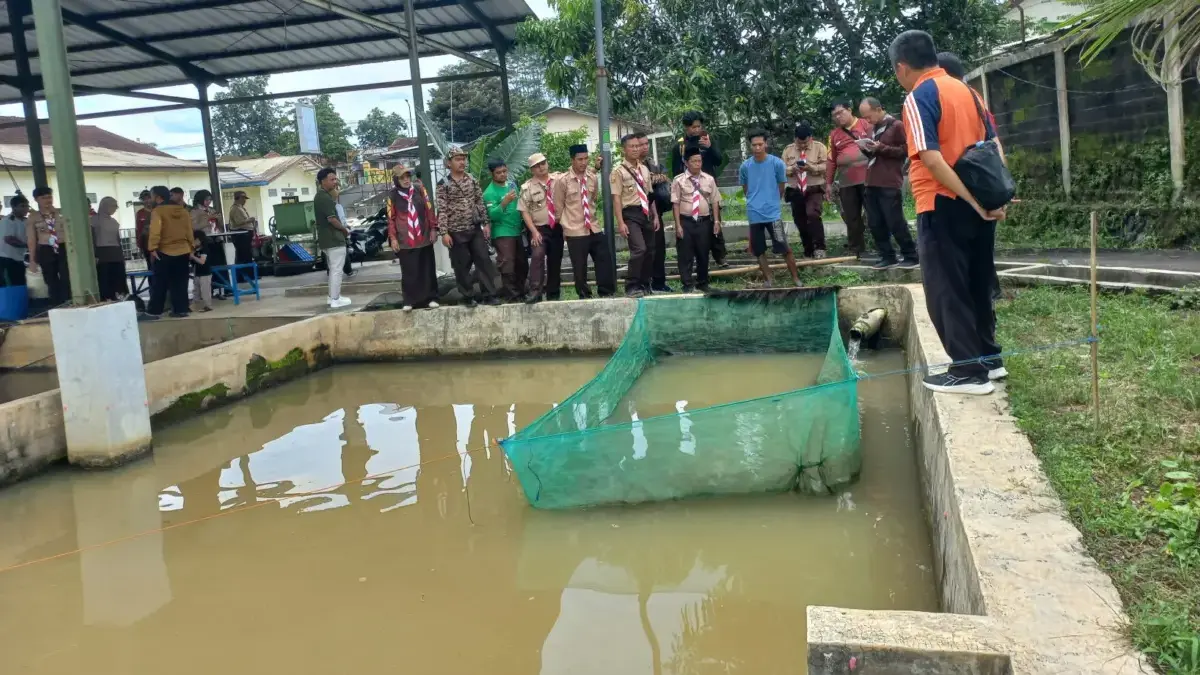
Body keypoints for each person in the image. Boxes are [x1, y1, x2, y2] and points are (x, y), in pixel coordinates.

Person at [893, 29, 1007, 395]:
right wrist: (995, 197)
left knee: (946, 288)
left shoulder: (918, 97)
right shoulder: (969, 92)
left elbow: (930, 157)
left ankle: (967, 371)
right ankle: (990, 360)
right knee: (977, 279)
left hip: (942, 204)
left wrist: (971, 199)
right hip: (979, 204)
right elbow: (994, 146)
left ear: (902, 66)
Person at [437, 146, 501, 307]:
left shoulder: (471, 179)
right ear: (449, 163)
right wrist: (444, 232)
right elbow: (442, 209)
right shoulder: (443, 183)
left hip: (474, 228)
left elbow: (479, 202)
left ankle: (489, 294)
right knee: (461, 265)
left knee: (483, 261)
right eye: (458, 159)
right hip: (456, 231)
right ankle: (467, 296)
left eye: (463, 159)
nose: (462, 162)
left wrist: (486, 223)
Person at [859, 97, 919, 269]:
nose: (868, 121)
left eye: (869, 116)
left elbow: (907, 150)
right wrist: (866, 148)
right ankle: (887, 255)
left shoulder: (897, 125)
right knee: (875, 222)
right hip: (871, 180)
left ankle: (910, 254)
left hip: (889, 181)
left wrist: (881, 148)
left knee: (894, 220)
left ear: (878, 109)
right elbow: (875, 154)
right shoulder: (873, 128)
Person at [739, 130, 801, 288]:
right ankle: (769, 279)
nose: (757, 148)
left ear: (766, 144)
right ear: (750, 146)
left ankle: (795, 278)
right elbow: (746, 189)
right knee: (759, 250)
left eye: (760, 144)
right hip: (754, 214)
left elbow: (781, 186)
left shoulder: (777, 163)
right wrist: (755, 201)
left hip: (773, 214)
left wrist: (772, 201)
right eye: (754, 145)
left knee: (784, 247)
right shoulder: (745, 166)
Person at [553, 143, 615, 299]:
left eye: (586, 158)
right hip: (575, 229)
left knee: (603, 258)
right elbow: (558, 207)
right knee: (579, 266)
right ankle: (584, 295)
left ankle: (606, 292)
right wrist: (564, 229)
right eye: (580, 159)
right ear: (572, 160)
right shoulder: (562, 181)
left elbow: (592, 200)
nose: (584, 162)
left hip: (593, 226)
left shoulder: (592, 177)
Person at [669, 110, 728, 268]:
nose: (696, 130)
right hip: (687, 192)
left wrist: (709, 147)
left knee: (714, 224)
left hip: (706, 190)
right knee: (689, 228)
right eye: (693, 127)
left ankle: (720, 257)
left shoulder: (707, 140)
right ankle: (693, 260)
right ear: (686, 127)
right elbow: (676, 171)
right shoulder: (680, 146)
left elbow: (719, 160)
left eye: (698, 126)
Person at [386, 163, 440, 311]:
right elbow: (390, 218)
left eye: (408, 176)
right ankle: (409, 301)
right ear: (396, 180)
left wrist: (434, 229)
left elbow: (429, 209)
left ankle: (432, 298)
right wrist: (393, 238)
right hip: (405, 239)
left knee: (427, 269)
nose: (406, 180)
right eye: (402, 177)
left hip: (423, 236)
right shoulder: (392, 195)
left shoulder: (419, 189)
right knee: (410, 271)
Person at [611, 132, 659, 297]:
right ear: (624, 149)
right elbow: (616, 199)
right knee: (639, 249)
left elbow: (649, 195)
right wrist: (620, 222)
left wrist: (655, 216)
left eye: (637, 146)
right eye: (631, 146)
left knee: (650, 250)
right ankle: (631, 286)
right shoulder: (618, 172)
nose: (636, 149)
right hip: (630, 214)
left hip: (646, 213)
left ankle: (645, 285)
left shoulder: (644, 169)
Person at [671, 146, 722, 292]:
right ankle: (687, 284)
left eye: (699, 161)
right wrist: (678, 225)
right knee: (685, 254)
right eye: (694, 161)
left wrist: (717, 221)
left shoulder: (709, 179)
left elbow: (715, 201)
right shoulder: (679, 180)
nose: (697, 164)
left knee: (703, 252)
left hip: (704, 221)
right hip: (686, 221)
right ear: (686, 163)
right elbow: (676, 203)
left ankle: (702, 282)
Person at [828, 101, 873, 257]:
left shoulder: (865, 124)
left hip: (868, 178)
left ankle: (882, 246)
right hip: (846, 181)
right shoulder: (834, 134)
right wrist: (828, 183)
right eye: (834, 115)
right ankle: (856, 250)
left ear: (849, 110)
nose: (838, 117)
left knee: (874, 212)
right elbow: (831, 160)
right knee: (851, 215)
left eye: (841, 112)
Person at [518, 152, 564, 304]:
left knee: (555, 259)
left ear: (547, 163)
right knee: (537, 256)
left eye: (543, 163)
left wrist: (596, 167)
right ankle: (535, 291)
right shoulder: (527, 187)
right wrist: (534, 232)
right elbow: (524, 211)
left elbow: (577, 175)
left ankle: (553, 293)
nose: (541, 167)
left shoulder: (559, 179)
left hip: (557, 227)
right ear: (532, 170)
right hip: (538, 229)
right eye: (536, 166)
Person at [781, 122, 830, 259]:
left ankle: (820, 247)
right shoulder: (788, 150)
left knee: (813, 215)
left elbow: (827, 165)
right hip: (795, 190)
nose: (802, 145)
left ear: (810, 137)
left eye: (805, 142)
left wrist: (812, 168)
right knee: (799, 220)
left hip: (813, 188)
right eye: (799, 142)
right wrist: (792, 169)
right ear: (795, 138)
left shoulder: (819, 147)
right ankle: (808, 249)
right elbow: (781, 169)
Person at [146, 185, 195, 317]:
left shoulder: (158, 212)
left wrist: (152, 248)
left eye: (151, 196)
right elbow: (189, 231)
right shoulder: (183, 211)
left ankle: (154, 311)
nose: (150, 199)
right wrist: (191, 247)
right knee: (180, 282)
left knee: (159, 283)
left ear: (158, 197)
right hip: (183, 250)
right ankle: (181, 309)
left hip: (164, 251)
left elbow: (155, 231)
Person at [483, 158, 527, 302]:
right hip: (502, 232)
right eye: (498, 173)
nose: (502, 174)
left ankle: (521, 291)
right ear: (492, 174)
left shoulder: (512, 185)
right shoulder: (489, 193)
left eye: (504, 171)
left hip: (517, 230)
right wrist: (504, 202)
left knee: (522, 263)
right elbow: (492, 215)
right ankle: (512, 295)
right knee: (507, 262)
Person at [314, 168, 352, 309]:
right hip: (333, 239)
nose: (335, 182)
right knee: (336, 270)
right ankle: (335, 299)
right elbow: (332, 219)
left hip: (327, 239)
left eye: (335, 179)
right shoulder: (324, 198)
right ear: (323, 181)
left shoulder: (320, 196)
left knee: (333, 269)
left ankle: (332, 297)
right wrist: (344, 230)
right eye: (332, 179)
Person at [26, 186, 71, 306]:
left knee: (66, 276)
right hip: (46, 248)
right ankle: (57, 303)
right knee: (50, 278)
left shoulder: (60, 213)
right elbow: (31, 239)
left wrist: (55, 213)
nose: (48, 200)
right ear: (36, 199)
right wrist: (32, 260)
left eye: (49, 197)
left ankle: (69, 300)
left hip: (62, 246)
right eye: (43, 197)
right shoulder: (33, 217)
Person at [646, 151, 675, 293]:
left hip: (655, 212)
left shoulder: (651, 164)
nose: (643, 147)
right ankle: (645, 283)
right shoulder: (630, 168)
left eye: (646, 144)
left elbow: (664, 178)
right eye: (639, 145)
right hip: (637, 213)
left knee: (659, 249)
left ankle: (659, 282)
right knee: (644, 250)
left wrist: (660, 177)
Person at [90, 197, 128, 301]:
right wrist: (94, 254)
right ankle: (106, 299)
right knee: (105, 279)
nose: (115, 208)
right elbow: (92, 239)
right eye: (113, 206)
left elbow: (118, 239)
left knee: (118, 278)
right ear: (105, 206)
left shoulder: (114, 221)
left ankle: (119, 297)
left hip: (116, 253)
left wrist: (122, 256)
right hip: (102, 254)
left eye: (116, 206)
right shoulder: (94, 220)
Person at [0, 195, 29, 287]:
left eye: (27, 206)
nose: (26, 209)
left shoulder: (26, 221)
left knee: (23, 282)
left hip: (22, 258)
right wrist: (27, 245)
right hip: (8, 259)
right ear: (14, 207)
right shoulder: (7, 221)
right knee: (14, 284)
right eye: (22, 206)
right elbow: (9, 239)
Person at [227, 190, 257, 273]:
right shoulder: (235, 208)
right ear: (237, 198)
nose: (245, 200)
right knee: (243, 255)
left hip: (245, 234)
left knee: (246, 255)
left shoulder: (240, 208)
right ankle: (244, 275)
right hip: (241, 235)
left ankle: (248, 274)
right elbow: (238, 222)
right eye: (243, 198)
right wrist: (250, 220)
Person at [191, 229, 213, 312]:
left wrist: (193, 256)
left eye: (195, 240)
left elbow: (202, 261)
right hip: (197, 272)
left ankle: (208, 306)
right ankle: (194, 305)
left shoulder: (205, 249)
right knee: (196, 290)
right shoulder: (196, 249)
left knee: (205, 291)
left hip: (205, 273)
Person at [134, 189, 153, 262]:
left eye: (149, 198)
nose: (147, 201)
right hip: (146, 244)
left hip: (160, 244)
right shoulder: (139, 213)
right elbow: (138, 230)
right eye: (144, 199)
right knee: (150, 265)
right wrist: (139, 246)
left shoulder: (158, 210)